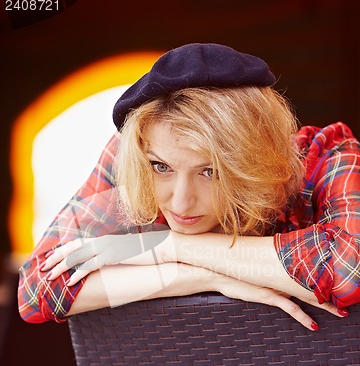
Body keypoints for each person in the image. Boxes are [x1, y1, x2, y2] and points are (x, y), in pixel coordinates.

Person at [18, 43, 360, 331]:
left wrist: (169, 246)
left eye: (210, 171)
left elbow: (347, 271)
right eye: (162, 168)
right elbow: (35, 292)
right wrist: (203, 277)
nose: (181, 202)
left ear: (256, 161)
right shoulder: (135, 154)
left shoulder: (328, 154)